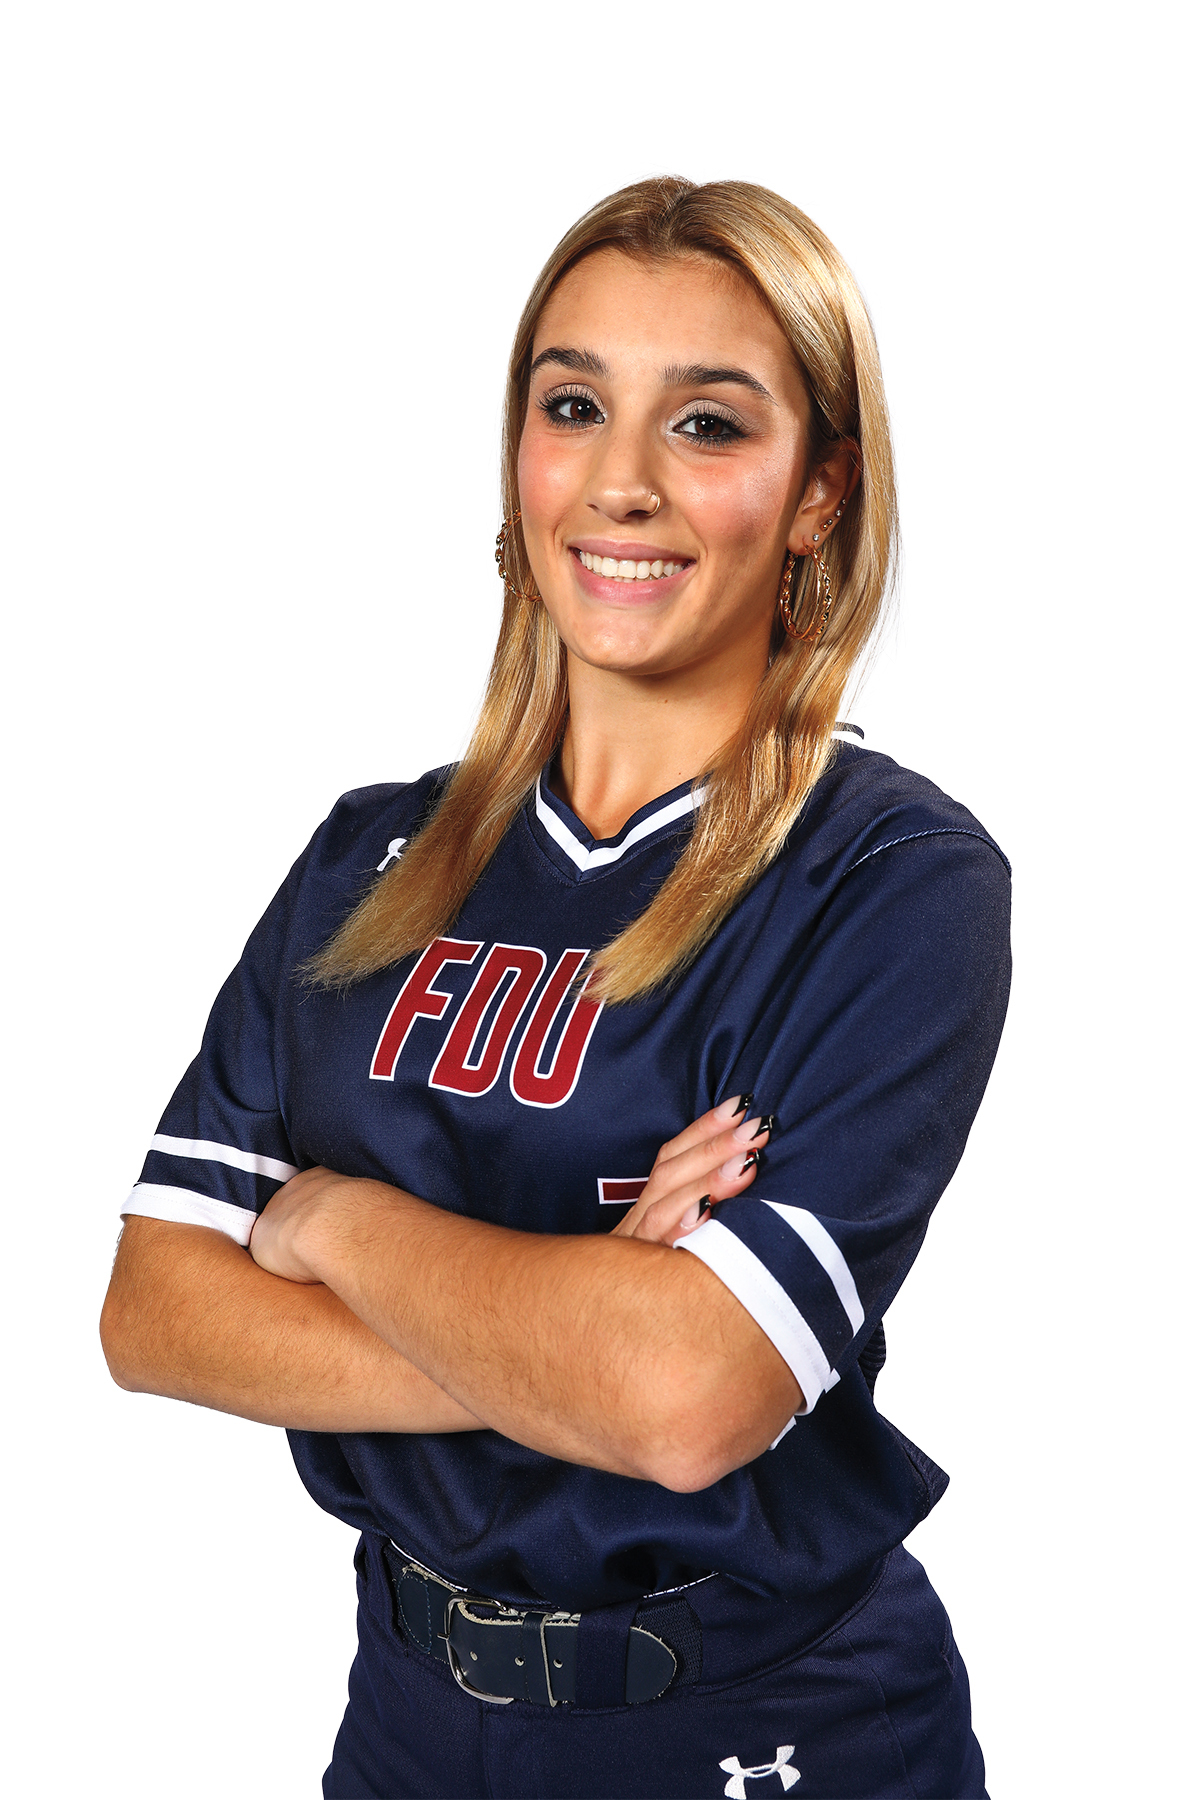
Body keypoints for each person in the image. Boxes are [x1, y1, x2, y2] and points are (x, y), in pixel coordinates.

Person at [101, 176, 1011, 1799]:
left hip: (767, 1726)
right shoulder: (369, 861)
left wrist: (326, 1228)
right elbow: (155, 1312)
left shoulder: (892, 879)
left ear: (818, 495)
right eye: (573, 404)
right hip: (407, 1714)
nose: (622, 483)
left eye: (712, 425)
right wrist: (584, 1310)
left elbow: (683, 1404)